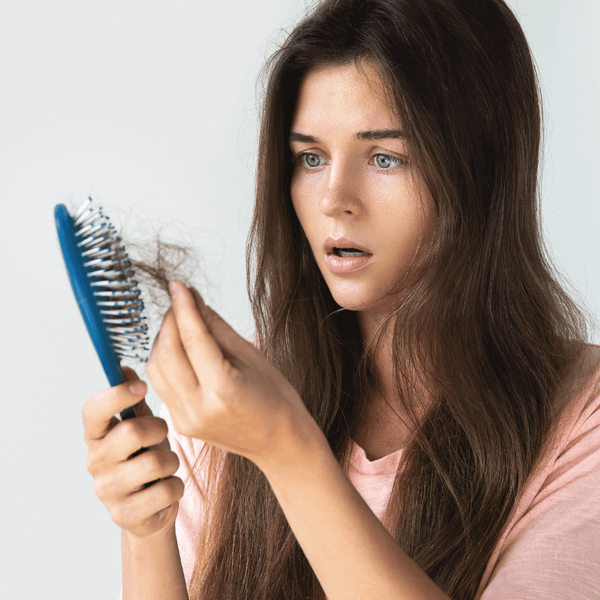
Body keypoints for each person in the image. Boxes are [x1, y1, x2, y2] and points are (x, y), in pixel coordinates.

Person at [82, 0, 600, 599]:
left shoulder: (580, 418)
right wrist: (146, 532)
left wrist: (286, 447)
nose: (334, 199)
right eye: (311, 157)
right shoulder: (232, 406)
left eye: (384, 158)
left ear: (481, 172)